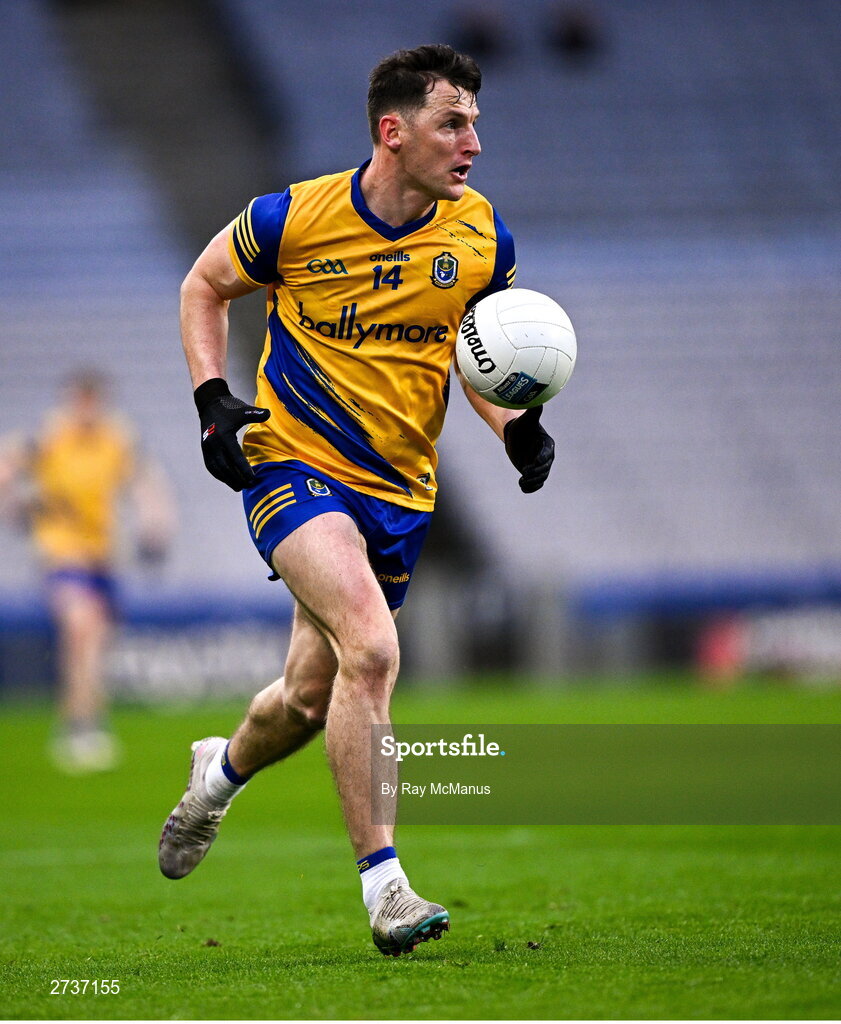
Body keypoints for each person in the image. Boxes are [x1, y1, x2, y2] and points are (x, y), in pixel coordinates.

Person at [158, 43, 555, 956]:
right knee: (372, 652)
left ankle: (216, 775)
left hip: (400, 491)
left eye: (475, 124)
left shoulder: (480, 234)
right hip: (293, 465)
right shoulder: (293, 217)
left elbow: (481, 354)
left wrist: (515, 427)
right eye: (453, 122)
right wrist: (212, 400)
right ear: (394, 130)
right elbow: (204, 285)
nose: (473, 143)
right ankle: (386, 889)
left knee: (307, 696)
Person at [0, 370, 174, 772]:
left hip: (102, 557)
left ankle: (84, 720)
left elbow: (146, 482)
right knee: (82, 627)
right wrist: (18, 506)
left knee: (93, 642)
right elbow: (7, 466)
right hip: (62, 554)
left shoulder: (115, 439)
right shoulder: (50, 437)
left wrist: (154, 524)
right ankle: (81, 727)